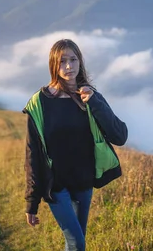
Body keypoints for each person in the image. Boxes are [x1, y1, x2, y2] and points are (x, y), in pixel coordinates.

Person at [22, 39, 128, 250]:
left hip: (83, 183)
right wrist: (31, 202)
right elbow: (32, 155)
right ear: (53, 65)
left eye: (73, 59)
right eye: (62, 61)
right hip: (55, 186)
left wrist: (95, 103)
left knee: (77, 241)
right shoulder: (39, 103)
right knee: (77, 242)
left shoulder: (90, 97)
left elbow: (120, 136)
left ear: (80, 62)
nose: (68, 66)